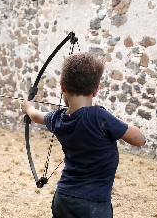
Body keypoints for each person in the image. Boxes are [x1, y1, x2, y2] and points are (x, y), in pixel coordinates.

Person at [21, 52, 146, 218]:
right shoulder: (99, 116)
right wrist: (112, 120)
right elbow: (140, 139)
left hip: (63, 198)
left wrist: (28, 107)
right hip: (93, 205)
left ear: (62, 86)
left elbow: (37, 115)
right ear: (95, 91)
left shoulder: (57, 118)